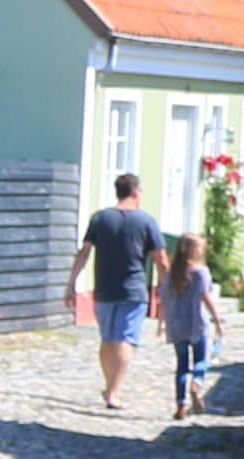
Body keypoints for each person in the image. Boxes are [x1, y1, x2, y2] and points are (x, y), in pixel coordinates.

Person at [62, 176, 162, 412]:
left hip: (104, 289)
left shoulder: (100, 219)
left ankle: (110, 386)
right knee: (125, 339)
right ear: (136, 192)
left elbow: (83, 252)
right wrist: (166, 289)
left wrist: (71, 283)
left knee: (108, 340)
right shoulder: (146, 221)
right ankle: (114, 392)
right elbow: (162, 259)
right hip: (134, 290)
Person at [159, 231, 223, 421]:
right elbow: (206, 298)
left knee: (181, 366)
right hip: (197, 324)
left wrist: (161, 324)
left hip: (176, 325)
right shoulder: (200, 272)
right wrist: (218, 321)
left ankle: (180, 405)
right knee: (201, 361)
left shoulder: (170, 274)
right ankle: (196, 384)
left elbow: (163, 300)